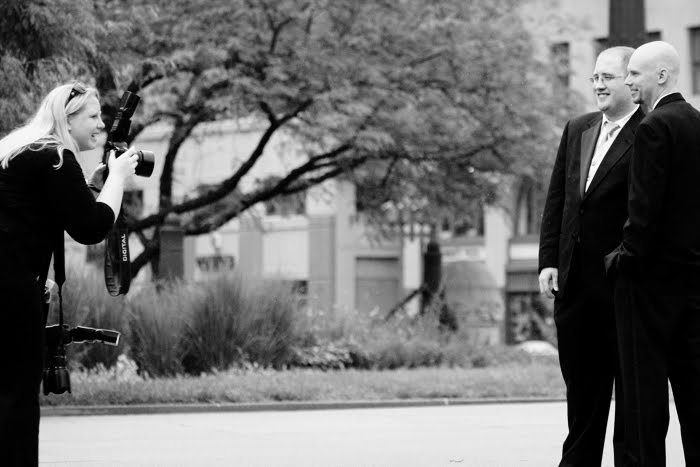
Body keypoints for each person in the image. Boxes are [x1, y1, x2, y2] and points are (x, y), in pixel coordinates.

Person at [0, 82, 140, 465]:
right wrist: (118, 177)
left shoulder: (19, 148)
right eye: (93, 116)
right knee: (16, 397)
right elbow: (91, 227)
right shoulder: (57, 155)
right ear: (68, 118)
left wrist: (92, 185)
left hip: (12, 283)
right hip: (11, 292)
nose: (101, 125)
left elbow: (27, 214)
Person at [539, 46, 644, 466]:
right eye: (595, 77)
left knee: (630, 396)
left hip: (622, 285)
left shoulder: (650, 131)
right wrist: (549, 259)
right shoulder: (578, 128)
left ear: (631, 82)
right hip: (574, 287)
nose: (598, 85)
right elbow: (559, 199)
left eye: (608, 77)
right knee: (582, 390)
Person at [605, 40, 700, 466]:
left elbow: (643, 209)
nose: (628, 81)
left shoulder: (653, 126)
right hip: (693, 282)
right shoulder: (696, 123)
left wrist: (622, 258)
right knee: (695, 395)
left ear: (661, 76)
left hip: (648, 284)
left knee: (644, 400)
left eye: (635, 74)